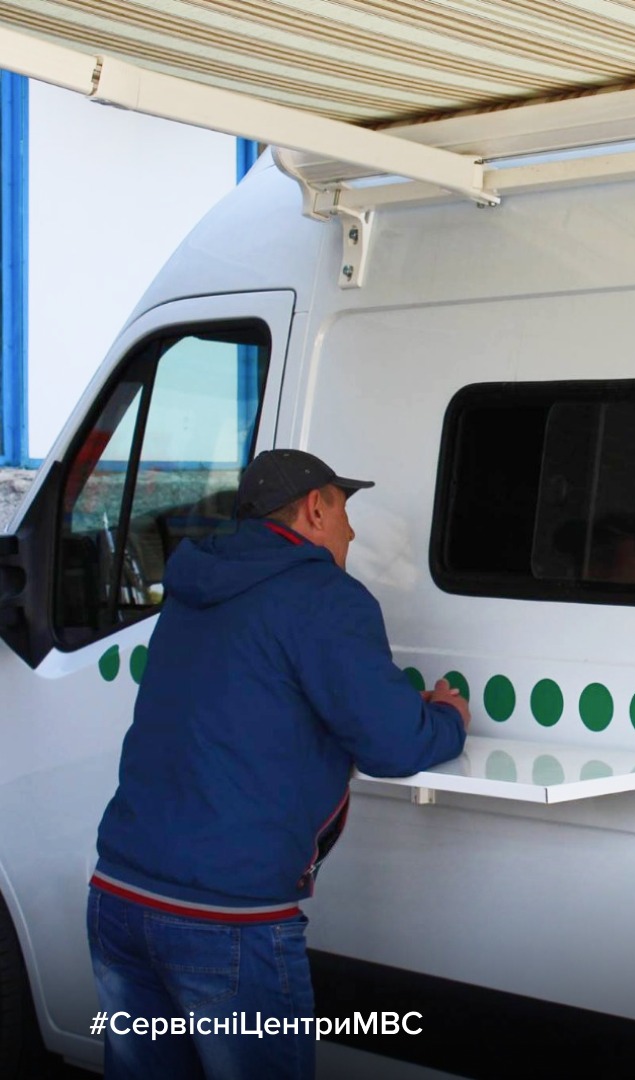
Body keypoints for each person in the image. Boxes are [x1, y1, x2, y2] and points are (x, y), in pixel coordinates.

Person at [86, 449, 469, 1080]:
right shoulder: (324, 596)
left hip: (120, 896)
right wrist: (448, 716)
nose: (351, 532)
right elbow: (394, 745)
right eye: (344, 511)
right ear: (315, 508)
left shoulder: (194, 584)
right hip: (225, 919)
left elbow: (257, 692)